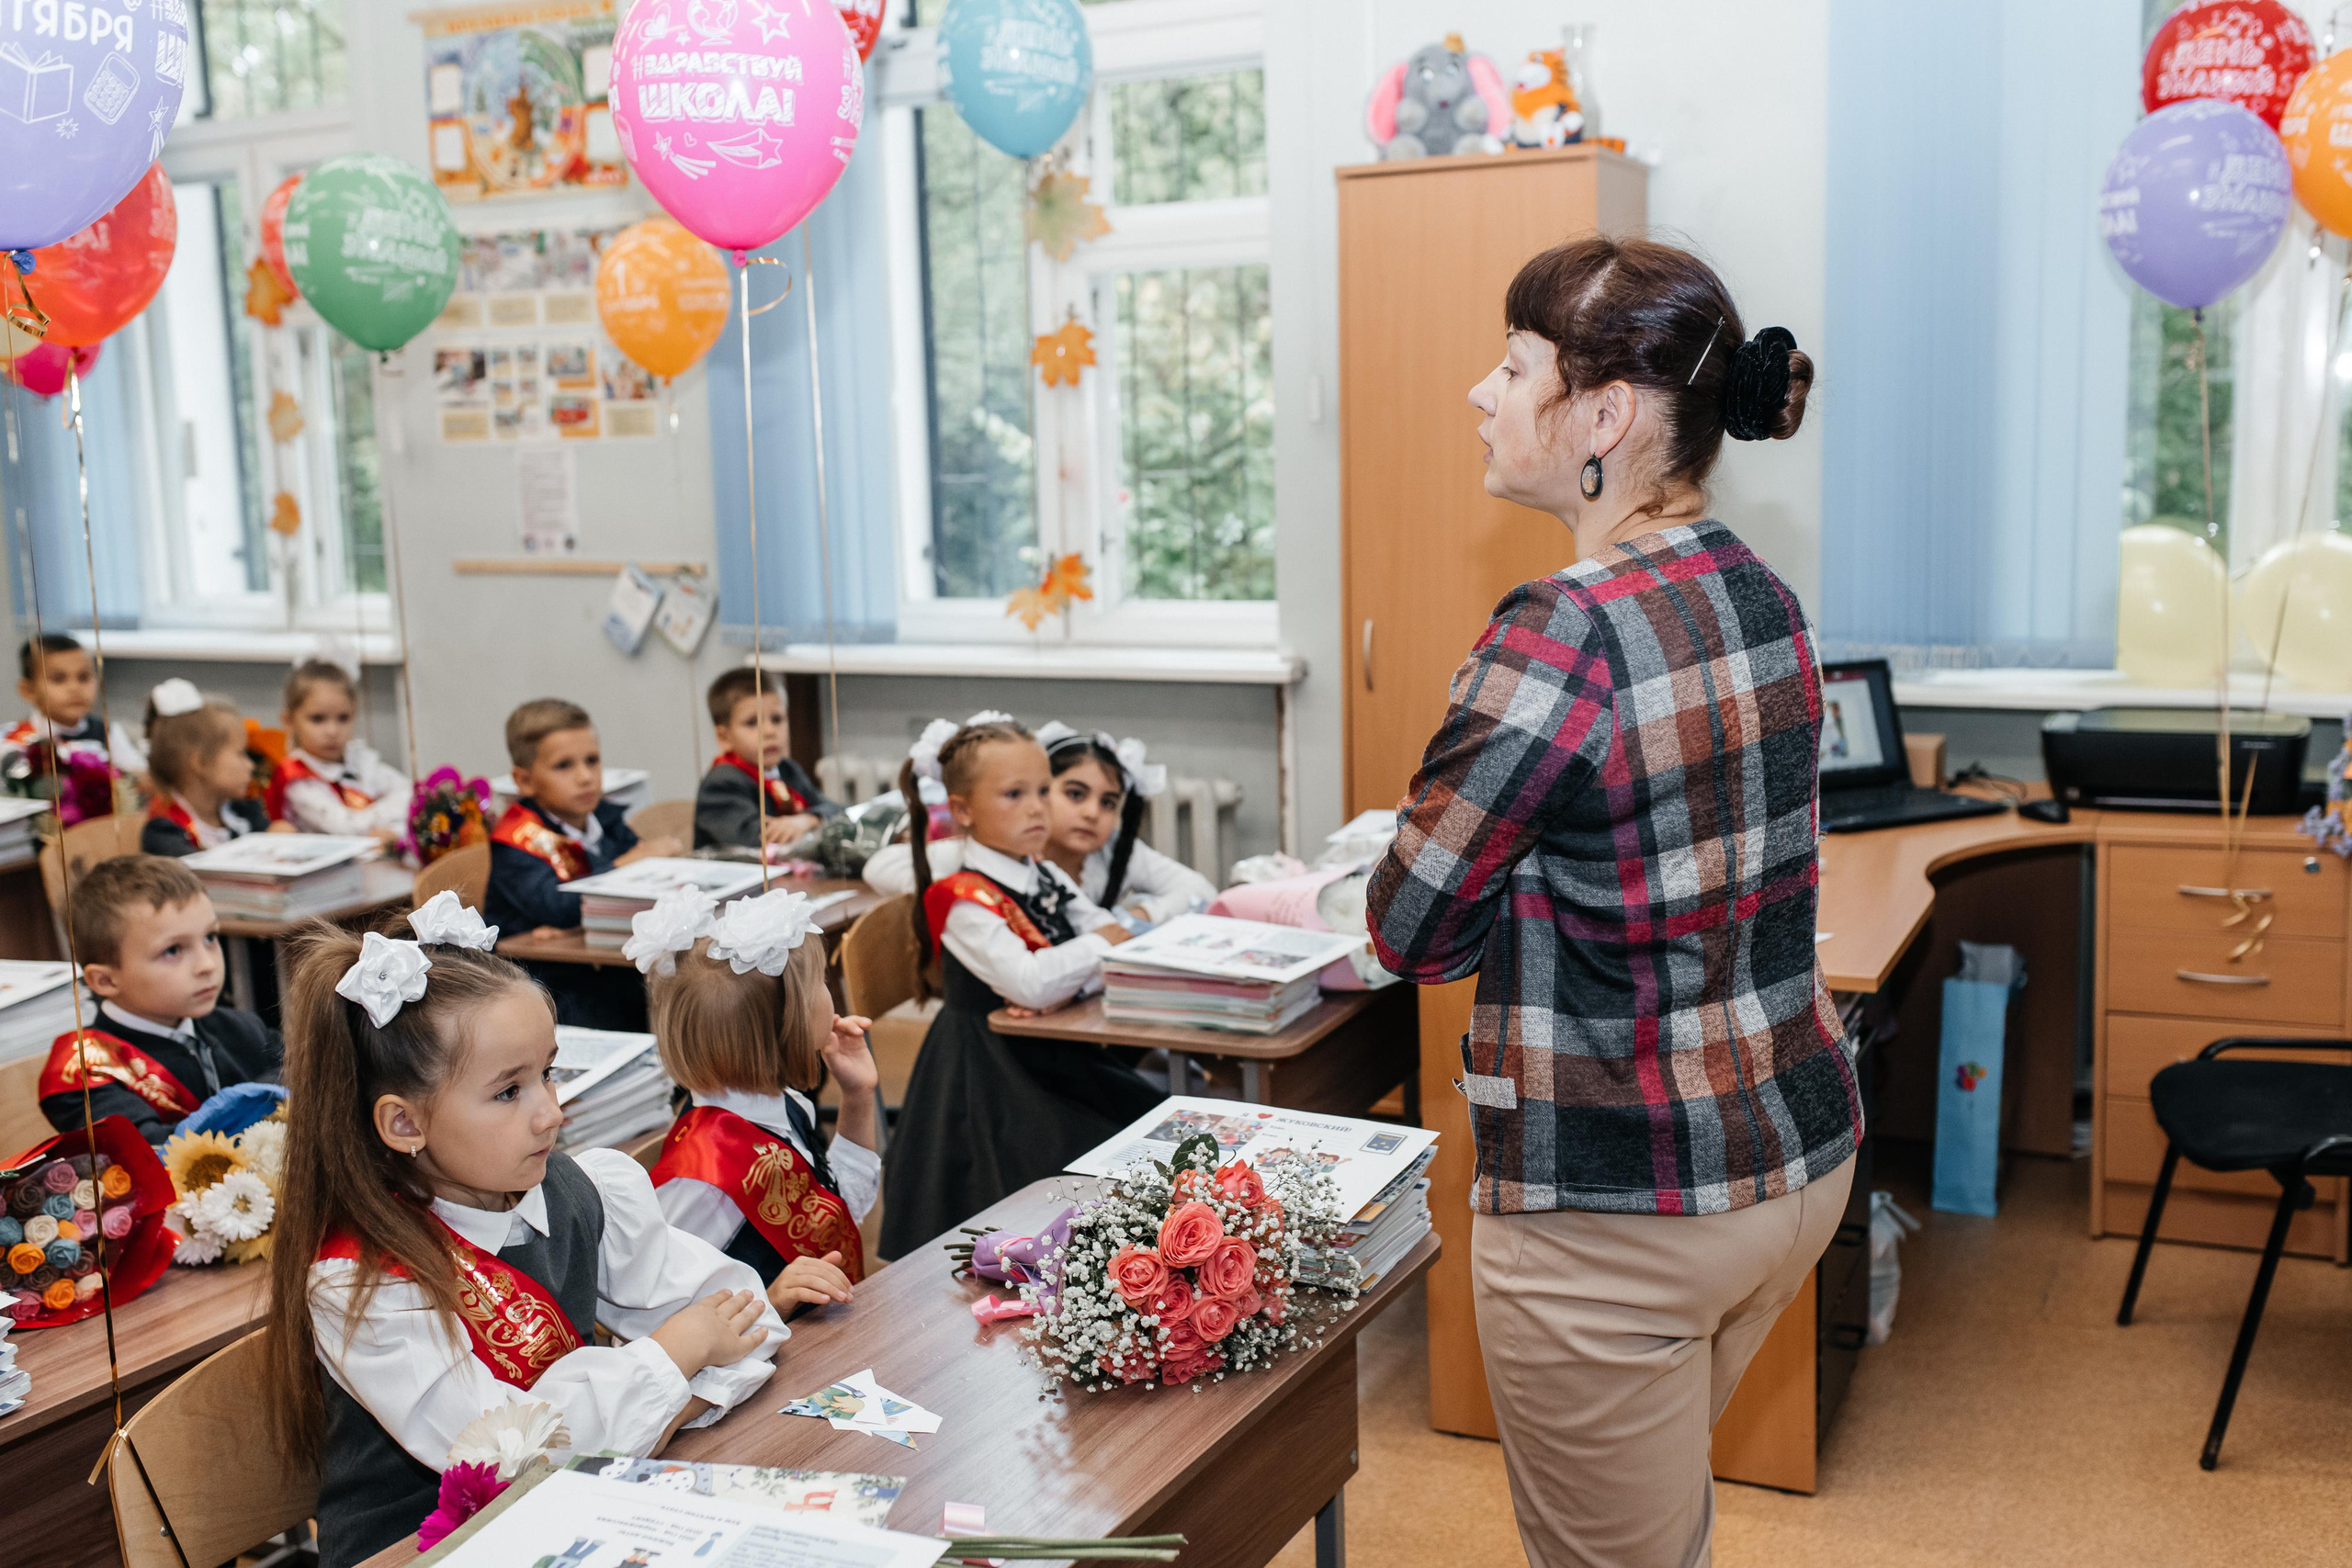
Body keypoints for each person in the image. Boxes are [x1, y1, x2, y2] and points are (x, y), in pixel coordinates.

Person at [1365, 236, 1860, 1568]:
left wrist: (1494, 858)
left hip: (1626, 1201)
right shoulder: (1763, 590)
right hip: (1792, 1156)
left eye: (1514, 363)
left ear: (1604, 413)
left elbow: (1413, 929)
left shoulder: (1561, 629)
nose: (1481, 389)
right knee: (1659, 1523)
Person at [260, 895, 786, 1568]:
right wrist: (674, 1354)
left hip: (572, 1522)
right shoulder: (360, 1283)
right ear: (403, 1124)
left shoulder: (581, 1186)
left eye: (549, 1072)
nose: (551, 1112)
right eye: (509, 1091)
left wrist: (660, 1397)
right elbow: (508, 1453)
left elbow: (748, 1320)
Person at [875, 715, 1160, 1260]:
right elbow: (1032, 982)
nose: (1037, 808)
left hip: (1052, 1054)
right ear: (962, 810)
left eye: (1042, 790)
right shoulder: (961, 896)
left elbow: (1101, 938)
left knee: (1156, 1120)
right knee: (1112, 1153)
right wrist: (1090, 950)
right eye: (1014, 794)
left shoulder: (1040, 873)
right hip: (990, 1077)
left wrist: (1082, 957)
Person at [628, 885, 877, 1312]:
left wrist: (858, 1096)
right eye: (820, 982)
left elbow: (835, 1215)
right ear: (786, 1026)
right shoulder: (702, 1176)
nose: (829, 990)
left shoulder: (784, 1104)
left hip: (819, 1335)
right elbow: (657, 1311)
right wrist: (771, 1301)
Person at [864, 722, 1213, 929]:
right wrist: (971, 889)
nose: (1093, 813)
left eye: (1108, 803)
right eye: (1075, 794)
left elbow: (1200, 890)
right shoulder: (990, 853)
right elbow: (879, 867)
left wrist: (1140, 914)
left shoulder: (1112, 851)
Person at [38, 855, 281, 1141]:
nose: (208, 965)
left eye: (210, 937)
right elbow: (147, 1149)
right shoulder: (85, 1072)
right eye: (173, 951)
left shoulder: (240, 1027)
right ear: (105, 980)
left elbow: (306, 1072)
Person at [484, 698, 681, 1030]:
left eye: (592, 761)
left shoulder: (603, 818)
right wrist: (627, 864)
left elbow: (644, 872)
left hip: (606, 963)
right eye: (564, 766)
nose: (586, 777)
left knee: (682, 994)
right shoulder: (516, 841)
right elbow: (558, 906)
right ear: (525, 780)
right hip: (546, 985)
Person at [693, 669, 839, 852]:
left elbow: (834, 809)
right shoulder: (721, 783)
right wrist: (798, 825)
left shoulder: (787, 769)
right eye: (752, 722)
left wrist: (809, 819)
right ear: (724, 738)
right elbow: (758, 837)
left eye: (777, 719)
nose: (770, 732)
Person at [267, 659, 410, 843]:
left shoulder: (359, 760)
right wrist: (393, 815)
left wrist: (394, 831)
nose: (332, 731)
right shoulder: (296, 777)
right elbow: (346, 827)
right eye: (318, 719)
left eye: (343, 718)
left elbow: (409, 791)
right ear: (289, 721)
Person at [6, 631, 145, 811]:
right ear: (28, 690)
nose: (75, 688)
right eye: (59, 679)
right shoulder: (17, 741)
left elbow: (140, 777)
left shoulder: (106, 730)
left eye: (84, 677)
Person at [141, 680, 275, 856]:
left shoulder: (243, 814)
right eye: (240, 754)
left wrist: (275, 839)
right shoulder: (164, 832)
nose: (250, 765)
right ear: (200, 763)